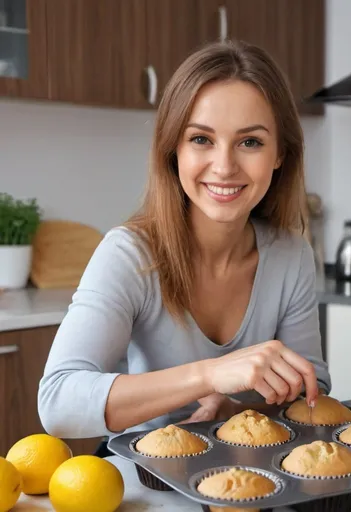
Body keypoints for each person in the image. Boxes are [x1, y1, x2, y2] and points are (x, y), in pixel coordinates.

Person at [37, 40, 331, 442]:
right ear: (173, 148)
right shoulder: (129, 254)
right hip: (141, 482)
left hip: (249, 477)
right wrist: (209, 375)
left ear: (280, 153)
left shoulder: (290, 254)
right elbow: (57, 404)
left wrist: (240, 409)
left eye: (251, 142)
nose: (224, 166)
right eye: (201, 139)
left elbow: (311, 394)